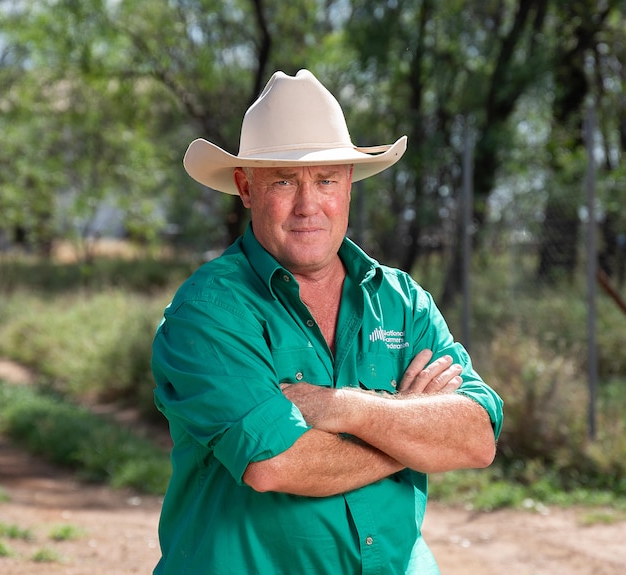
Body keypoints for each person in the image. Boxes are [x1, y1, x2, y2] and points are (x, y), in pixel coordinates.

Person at [151, 69, 504, 575]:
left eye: (326, 180)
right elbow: (276, 464)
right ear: (245, 187)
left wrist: (343, 409)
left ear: (349, 186)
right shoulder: (210, 312)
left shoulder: (402, 300)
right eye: (283, 181)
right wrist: (412, 429)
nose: (307, 205)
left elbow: (476, 438)